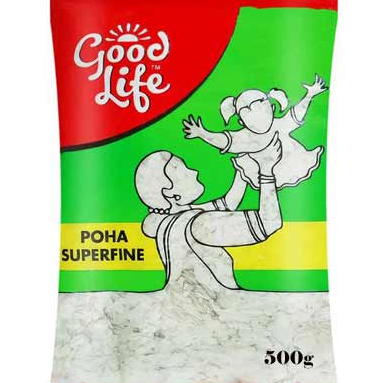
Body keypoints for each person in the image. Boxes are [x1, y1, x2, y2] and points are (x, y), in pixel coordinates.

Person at [134, 132, 283, 290]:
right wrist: (266, 170)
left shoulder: (171, 221)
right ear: (170, 192)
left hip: (188, 302)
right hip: (212, 304)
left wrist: (241, 171)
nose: (195, 172)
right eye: (184, 170)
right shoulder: (199, 224)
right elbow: (269, 223)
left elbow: (227, 205)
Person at [183, 74, 328, 189]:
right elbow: (226, 141)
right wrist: (202, 133)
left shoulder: (278, 125)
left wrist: (309, 95)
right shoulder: (246, 137)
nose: (258, 118)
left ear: (272, 108)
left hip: (290, 162)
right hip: (260, 171)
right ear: (241, 122)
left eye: (261, 109)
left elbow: (295, 115)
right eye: (248, 113)